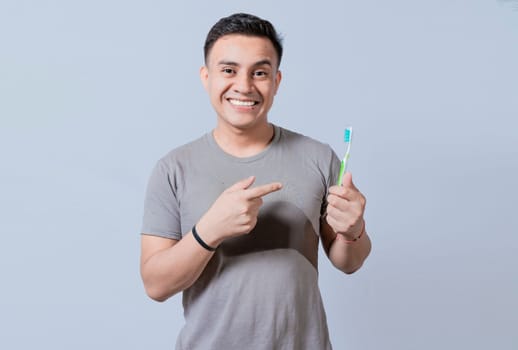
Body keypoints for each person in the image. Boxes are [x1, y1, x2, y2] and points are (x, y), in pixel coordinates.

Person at [140, 12, 372, 350]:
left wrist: (355, 231)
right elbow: (155, 285)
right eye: (229, 70)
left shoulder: (319, 157)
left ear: (276, 81)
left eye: (259, 73)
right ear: (206, 77)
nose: (245, 86)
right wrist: (210, 231)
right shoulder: (172, 168)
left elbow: (347, 261)